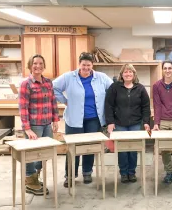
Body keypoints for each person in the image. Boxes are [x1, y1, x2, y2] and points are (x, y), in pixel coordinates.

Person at [53, 52, 113, 188]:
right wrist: (65, 101)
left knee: (89, 147)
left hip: (93, 119)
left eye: (89, 65)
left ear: (92, 65)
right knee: (72, 148)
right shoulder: (69, 77)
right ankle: (70, 175)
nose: (86, 68)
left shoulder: (101, 77)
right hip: (74, 119)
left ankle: (87, 172)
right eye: (83, 65)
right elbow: (53, 87)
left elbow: (113, 89)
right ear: (79, 64)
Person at [19, 54, 59, 195]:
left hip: (47, 123)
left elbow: (53, 102)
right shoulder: (26, 84)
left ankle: (34, 177)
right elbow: (23, 107)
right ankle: (30, 181)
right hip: (34, 125)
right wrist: (27, 128)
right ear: (30, 65)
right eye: (35, 63)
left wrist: (55, 119)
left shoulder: (48, 82)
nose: (38, 66)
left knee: (44, 154)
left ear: (44, 65)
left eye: (41, 63)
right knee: (31, 154)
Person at [105, 64, 151, 183]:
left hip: (135, 123)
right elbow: (108, 106)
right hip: (119, 123)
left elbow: (146, 107)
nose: (128, 74)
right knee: (122, 150)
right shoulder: (114, 87)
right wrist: (110, 122)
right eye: (125, 72)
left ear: (134, 74)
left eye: (130, 72)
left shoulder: (140, 88)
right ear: (122, 74)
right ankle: (124, 173)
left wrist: (146, 122)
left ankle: (132, 172)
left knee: (133, 149)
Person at [152, 60, 172, 185]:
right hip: (163, 121)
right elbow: (157, 104)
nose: (167, 70)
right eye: (165, 68)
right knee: (164, 147)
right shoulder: (156, 86)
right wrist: (156, 123)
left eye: (169, 68)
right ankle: (168, 171)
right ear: (162, 70)